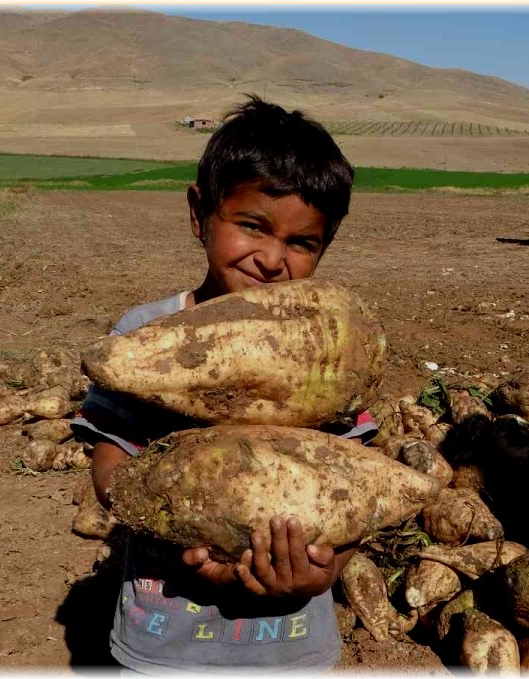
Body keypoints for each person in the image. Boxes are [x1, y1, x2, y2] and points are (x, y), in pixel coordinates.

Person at [70, 95, 376, 675]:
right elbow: (110, 460)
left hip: (291, 641)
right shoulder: (144, 336)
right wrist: (184, 517)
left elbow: (350, 488)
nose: (271, 259)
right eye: (251, 226)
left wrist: (322, 572)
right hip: (165, 640)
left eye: (301, 243)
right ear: (199, 214)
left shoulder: (330, 354)